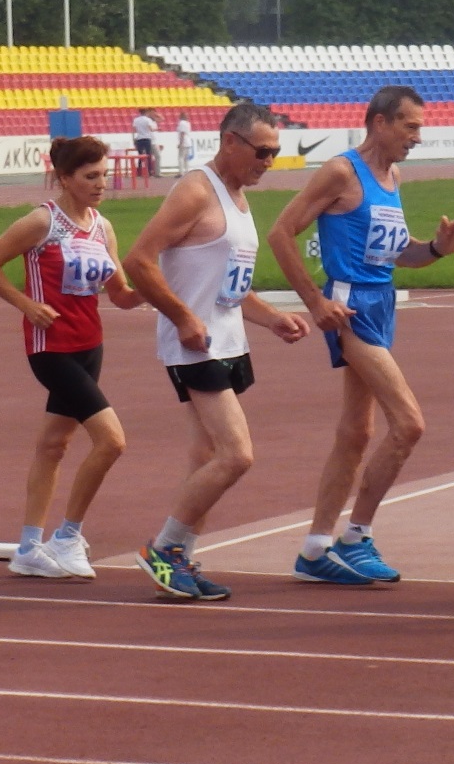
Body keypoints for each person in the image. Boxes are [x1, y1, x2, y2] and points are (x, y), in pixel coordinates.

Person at [267, 86, 454, 585]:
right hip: (350, 308)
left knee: (357, 432)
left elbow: (398, 254)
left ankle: (315, 549)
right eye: (411, 126)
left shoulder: (392, 175)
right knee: (408, 424)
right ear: (379, 123)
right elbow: (280, 232)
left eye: (420, 127)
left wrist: (438, 249)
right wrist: (316, 302)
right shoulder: (341, 171)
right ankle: (356, 536)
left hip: (381, 304)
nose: (418, 137)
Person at [123, 102, 312, 601]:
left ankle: (180, 556)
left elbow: (227, 284)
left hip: (227, 339)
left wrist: (272, 318)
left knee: (206, 454)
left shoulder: (236, 197)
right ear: (231, 140)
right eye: (263, 151)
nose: (269, 161)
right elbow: (139, 261)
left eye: (275, 152)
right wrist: (183, 317)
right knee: (236, 455)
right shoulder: (194, 190)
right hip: (196, 346)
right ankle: (163, 549)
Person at [0, 135, 142, 579]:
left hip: (90, 345)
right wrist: (26, 304)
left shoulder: (103, 228)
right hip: (51, 348)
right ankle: (68, 536)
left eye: (103, 175)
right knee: (112, 441)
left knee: (54, 444)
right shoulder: (41, 222)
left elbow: (122, 295)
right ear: (64, 178)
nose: (100, 184)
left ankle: (29, 548)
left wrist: (158, 285)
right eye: (90, 176)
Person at [131, 107, 157, 176]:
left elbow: (133, 130)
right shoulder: (148, 120)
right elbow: (151, 129)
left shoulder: (136, 120)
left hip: (139, 138)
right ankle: (149, 171)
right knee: (148, 155)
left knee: (140, 156)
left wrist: (133, 139)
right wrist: (157, 129)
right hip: (147, 138)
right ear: (146, 112)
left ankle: (139, 171)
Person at [173, 112, 193, 177]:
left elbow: (182, 133)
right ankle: (187, 171)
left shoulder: (181, 123)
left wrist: (180, 143)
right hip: (188, 142)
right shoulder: (188, 123)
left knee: (180, 157)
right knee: (186, 158)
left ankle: (181, 172)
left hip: (184, 142)